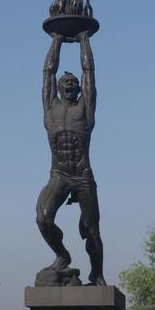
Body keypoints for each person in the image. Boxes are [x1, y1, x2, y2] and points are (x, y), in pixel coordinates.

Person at [36, 30, 105, 285]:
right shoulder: (49, 107)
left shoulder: (85, 107)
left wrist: (83, 40)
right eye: (65, 83)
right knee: (43, 216)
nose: (70, 85)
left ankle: (96, 275)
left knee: (90, 230)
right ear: (57, 87)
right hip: (59, 174)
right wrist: (56, 40)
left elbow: (89, 72)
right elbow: (47, 71)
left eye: (73, 83)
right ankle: (62, 256)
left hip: (82, 175)